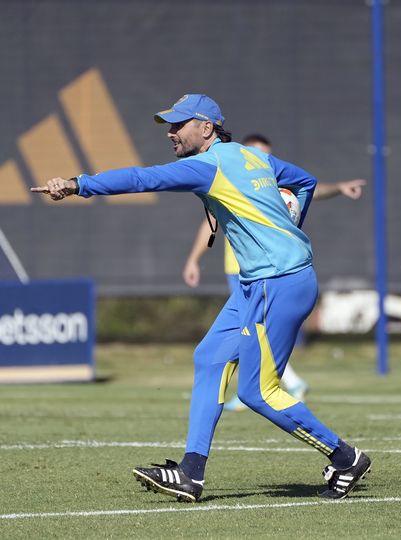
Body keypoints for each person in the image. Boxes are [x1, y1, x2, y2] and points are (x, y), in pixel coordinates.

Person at [31, 94, 371, 503]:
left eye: (179, 125)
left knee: (257, 393)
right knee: (209, 358)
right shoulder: (252, 157)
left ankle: (345, 457)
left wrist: (77, 184)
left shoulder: (208, 165)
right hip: (258, 283)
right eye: (169, 126)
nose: (171, 133)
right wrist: (291, 226)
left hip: (276, 283)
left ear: (206, 128)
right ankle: (191, 474)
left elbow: (143, 179)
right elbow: (305, 182)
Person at [182, 133, 366, 411]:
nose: (262, 158)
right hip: (240, 271)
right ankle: (273, 385)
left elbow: (307, 189)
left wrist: (338, 187)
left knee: (254, 335)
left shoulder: (266, 178)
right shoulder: (232, 176)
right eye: (257, 152)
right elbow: (211, 223)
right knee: (249, 336)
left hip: (266, 274)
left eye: (267, 153)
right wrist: (194, 259)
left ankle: (278, 385)